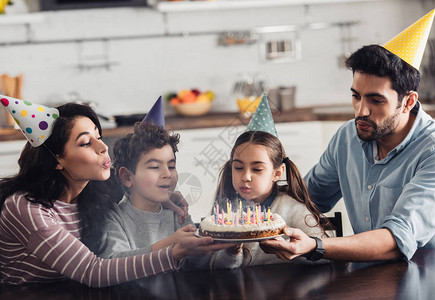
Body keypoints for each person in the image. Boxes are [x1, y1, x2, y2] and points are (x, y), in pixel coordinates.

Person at [261, 9, 435, 262]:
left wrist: (315, 246)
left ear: (408, 102)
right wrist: (251, 196)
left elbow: (398, 239)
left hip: (429, 275)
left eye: (376, 100)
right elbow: (308, 197)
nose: (362, 111)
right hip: (369, 272)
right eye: (356, 96)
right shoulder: (347, 137)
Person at [0, 97, 232, 287]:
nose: (102, 147)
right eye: (85, 143)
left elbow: (139, 182)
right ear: (57, 160)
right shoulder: (27, 208)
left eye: (98, 137)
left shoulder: (99, 188)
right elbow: (93, 271)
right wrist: (173, 252)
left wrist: (164, 193)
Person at [209, 95, 330, 269]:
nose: (246, 176)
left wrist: (298, 249)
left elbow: (325, 253)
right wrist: (231, 253)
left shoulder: (292, 208)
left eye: (257, 169)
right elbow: (215, 268)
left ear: (277, 173)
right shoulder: (227, 213)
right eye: (238, 168)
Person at [98, 100, 211, 270]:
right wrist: (170, 244)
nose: (167, 174)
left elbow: (197, 265)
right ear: (127, 177)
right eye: (154, 167)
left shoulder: (177, 213)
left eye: (171, 166)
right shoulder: (115, 218)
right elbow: (113, 262)